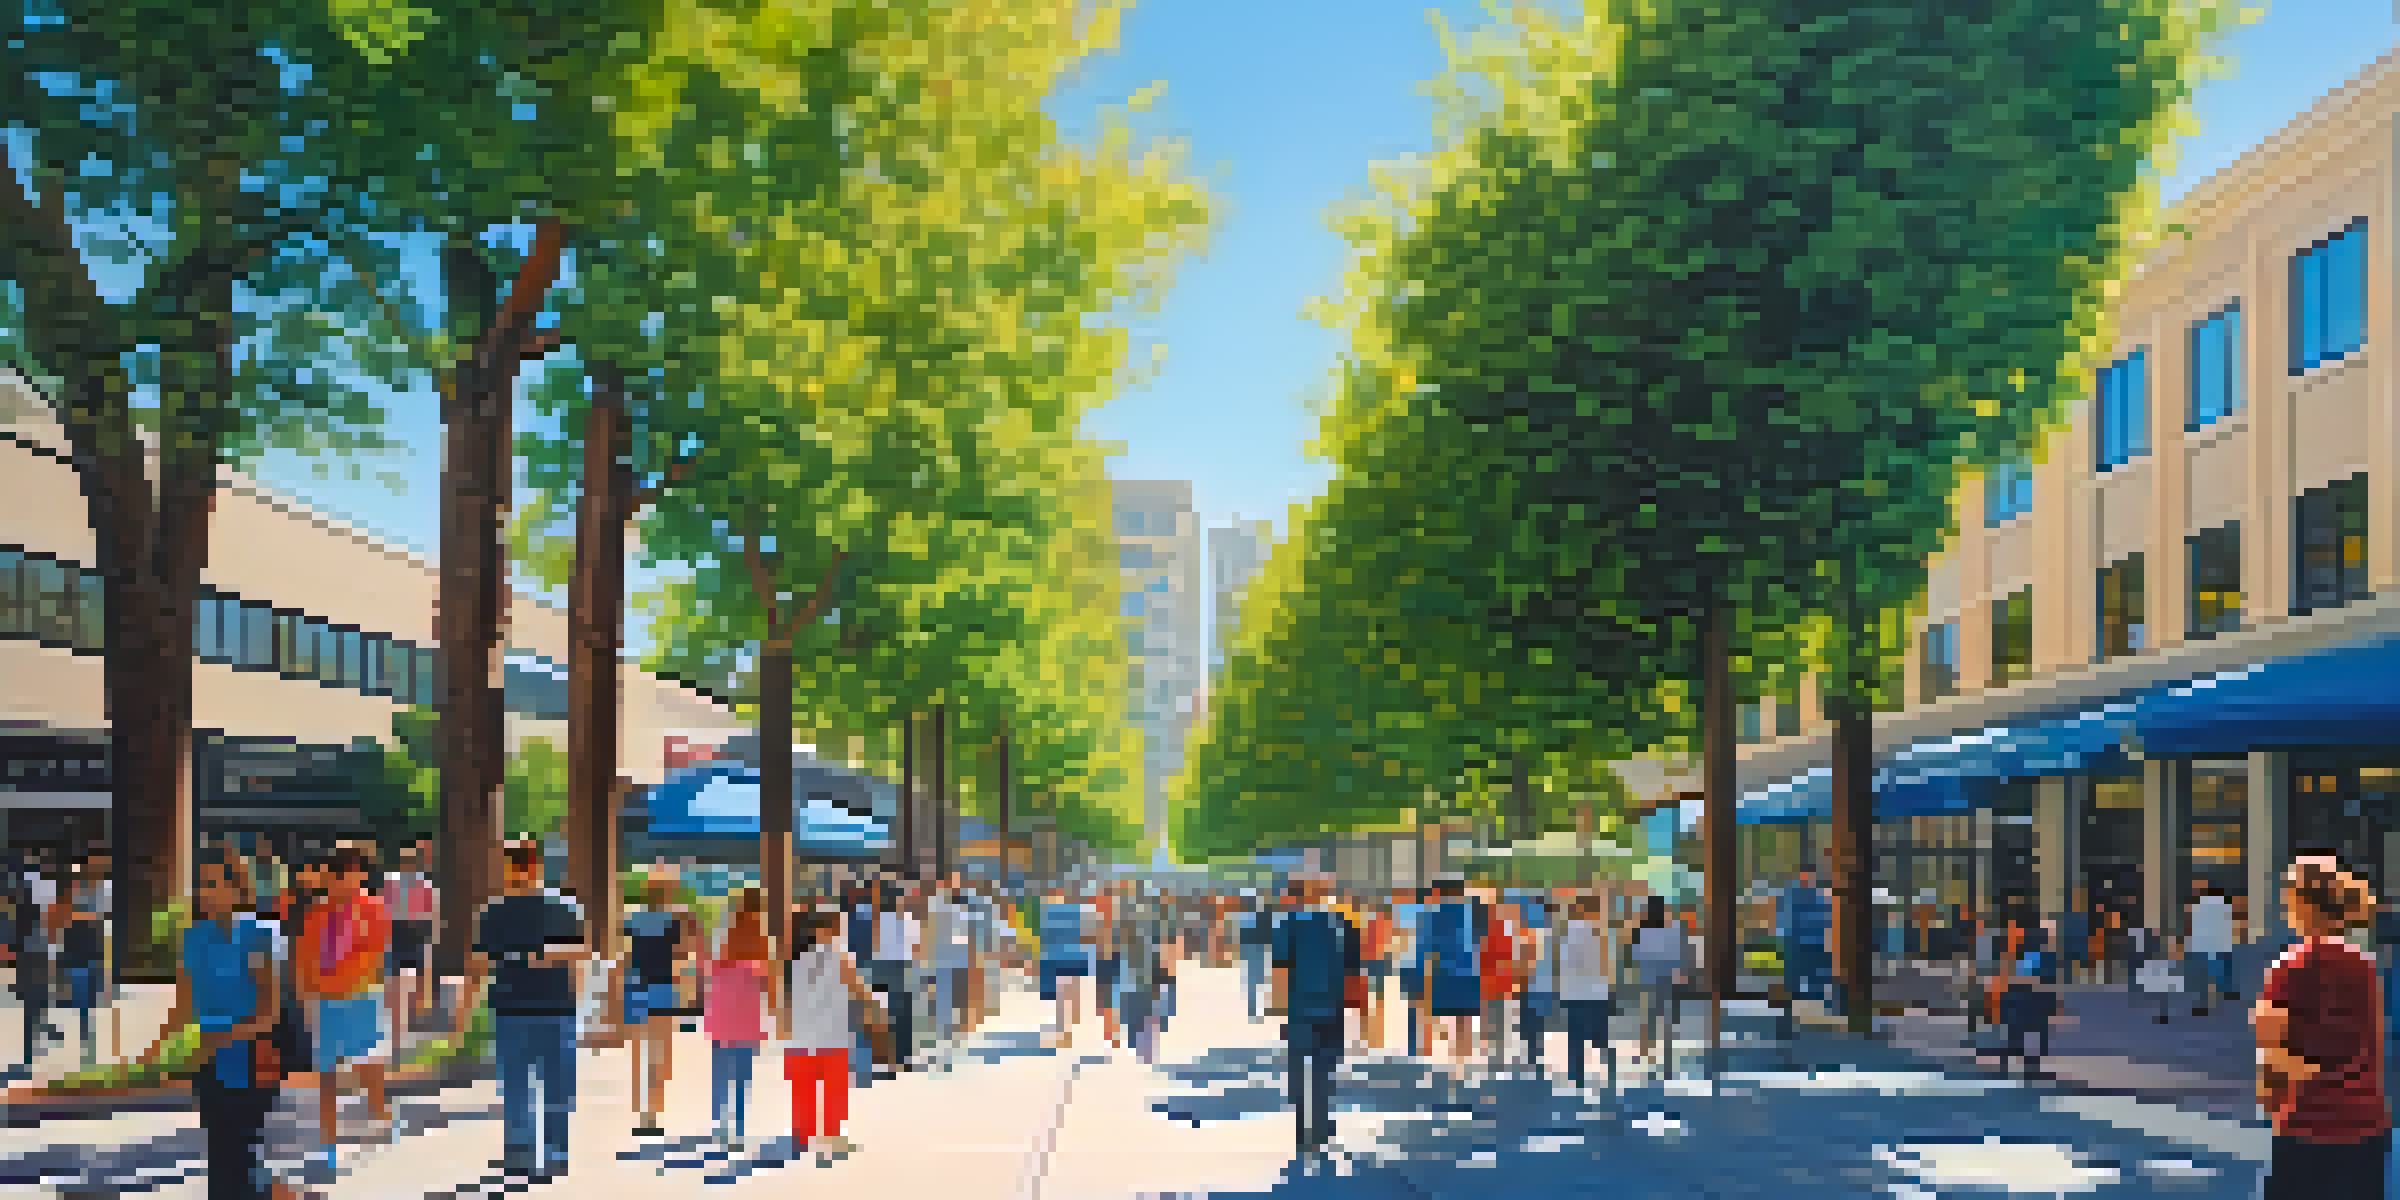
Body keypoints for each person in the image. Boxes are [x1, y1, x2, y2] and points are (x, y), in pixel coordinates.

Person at [141, 844, 295, 1200]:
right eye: (202, 884)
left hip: (254, 1056)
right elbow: (183, 1007)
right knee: (219, 1152)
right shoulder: (194, 937)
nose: (206, 893)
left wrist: (223, 1038)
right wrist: (153, 1055)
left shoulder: (262, 934)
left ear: (237, 886)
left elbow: (269, 1012)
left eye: (214, 883)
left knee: (243, 1151)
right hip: (208, 1059)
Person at [2255, 855, 2388, 1200]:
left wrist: (2272, 1102)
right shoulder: (2366, 967)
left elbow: (2274, 1059)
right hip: (2366, 1128)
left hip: (2309, 1128)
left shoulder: (2291, 966)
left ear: (2301, 902)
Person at [459, 839, 588, 1180]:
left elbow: (581, 953)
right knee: (541, 1085)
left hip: (529, 1007)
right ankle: (542, 1153)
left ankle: (531, 1153)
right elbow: (479, 961)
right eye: (515, 865)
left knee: (528, 1084)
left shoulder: (503, 910)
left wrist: (549, 955)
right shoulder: (555, 906)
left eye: (519, 865)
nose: (517, 872)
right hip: (542, 1007)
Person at [294, 842, 395, 1168]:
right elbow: (304, 958)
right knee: (327, 1073)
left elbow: (374, 953)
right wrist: (305, 995)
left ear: (363, 874)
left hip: (364, 998)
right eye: (336, 873)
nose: (343, 880)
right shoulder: (316, 913)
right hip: (326, 1001)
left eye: (351, 872)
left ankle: (380, 1118)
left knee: (370, 1065)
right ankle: (328, 1138)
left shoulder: (374, 908)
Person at [779, 907, 888, 1163]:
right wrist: (876, 1009)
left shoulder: (796, 961)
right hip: (833, 1035)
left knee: (803, 1088)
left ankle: (802, 1135)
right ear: (825, 930)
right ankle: (831, 1135)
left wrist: (784, 1028)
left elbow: (785, 1000)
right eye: (837, 926)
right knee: (834, 1089)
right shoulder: (839, 959)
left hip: (802, 1035)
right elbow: (860, 990)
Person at [1271, 873, 1357, 1163]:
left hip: (1299, 1010)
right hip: (1332, 1009)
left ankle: (1301, 1133)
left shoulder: (1288, 924)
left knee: (1298, 1073)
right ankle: (1320, 1132)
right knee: (1323, 1072)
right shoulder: (1340, 923)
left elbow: (1281, 971)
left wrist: (1280, 1011)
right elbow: (1351, 969)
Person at [621, 869, 693, 1135]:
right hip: (662, 988)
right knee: (660, 1053)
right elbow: (681, 955)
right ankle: (653, 1111)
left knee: (641, 1052)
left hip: (636, 986)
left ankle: (644, 1112)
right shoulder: (673, 920)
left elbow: (627, 955)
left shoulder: (634, 918)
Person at [703, 888, 775, 1149]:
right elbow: (768, 979)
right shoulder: (762, 937)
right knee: (743, 1073)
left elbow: (708, 969)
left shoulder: (725, 932)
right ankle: (740, 1127)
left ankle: (719, 1125)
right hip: (747, 1011)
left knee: (721, 1071)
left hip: (723, 1009)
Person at [1417, 875, 1480, 1087]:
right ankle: (1461, 1067)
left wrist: (1421, 976)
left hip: (1442, 974)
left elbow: (1425, 947)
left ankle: (1434, 1064)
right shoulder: (1470, 913)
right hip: (1468, 973)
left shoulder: (1433, 915)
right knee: (1463, 1022)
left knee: (1434, 1019)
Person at [58, 846, 112, 1069]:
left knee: (90, 997)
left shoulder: (104, 889)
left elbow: (102, 920)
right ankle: (84, 1041)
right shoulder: (74, 888)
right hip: (77, 950)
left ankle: (86, 1043)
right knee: (82, 998)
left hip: (92, 949)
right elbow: (65, 916)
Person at [1557, 892, 1615, 1096]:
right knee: (1601, 1036)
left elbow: (1563, 965)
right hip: (1595, 992)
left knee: (1575, 1037)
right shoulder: (1598, 933)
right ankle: (1610, 1074)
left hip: (1573, 992)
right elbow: (1605, 965)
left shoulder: (1568, 934)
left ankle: (1577, 1077)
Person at [382, 842, 438, 1047]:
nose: (409, 863)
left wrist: (430, 933)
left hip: (414, 930)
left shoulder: (423, 883)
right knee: (398, 976)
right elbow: (385, 909)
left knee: (416, 976)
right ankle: (401, 1019)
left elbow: (431, 912)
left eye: (411, 860)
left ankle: (411, 1017)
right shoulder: (393, 881)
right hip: (399, 930)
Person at [871, 881, 922, 1074]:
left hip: (884, 968)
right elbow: (916, 948)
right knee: (902, 1015)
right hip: (901, 969)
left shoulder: (880, 921)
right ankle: (903, 1057)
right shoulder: (909, 920)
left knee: (884, 1012)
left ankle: (885, 1055)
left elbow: (876, 946)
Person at [1631, 895, 1687, 1068]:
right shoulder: (1673, 931)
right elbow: (1679, 956)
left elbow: (1636, 957)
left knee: (1647, 1019)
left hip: (1647, 980)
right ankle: (1668, 1056)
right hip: (1667, 980)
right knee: (1667, 1019)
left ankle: (1645, 1054)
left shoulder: (1640, 931)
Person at [1038, 885, 1094, 1049]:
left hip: (1061, 960)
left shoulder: (1052, 913)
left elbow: (1048, 939)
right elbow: (1087, 936)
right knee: (1071, 994)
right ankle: (1071, 1026)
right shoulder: (1078, 911)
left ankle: (1065, 1033)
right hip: (1076, 959)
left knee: (1063, 998)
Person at [1779, 865, 1832, 1018]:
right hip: (1795, 943)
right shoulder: (1791, 895)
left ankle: (1817, 1007)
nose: (1807, 878)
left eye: (1810, 875)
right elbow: (1783, 919)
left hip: (1815, 942)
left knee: (1816, 976)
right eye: (1805, 875)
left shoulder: (1819, 895)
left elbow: (1826, 920)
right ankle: (1792, 1009)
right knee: (1794, 976)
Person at [2188, 882, 2237, 1015]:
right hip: (2220, 945)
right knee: (2223, 971)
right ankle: (2226, 993)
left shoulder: (2199, 905)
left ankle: (2203, 1003)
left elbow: (2195, 926)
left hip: (2203, 946)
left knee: (2203, 977)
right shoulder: (2224, 904)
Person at [1239, 891, 1274, 1021]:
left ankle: (1255, 1010)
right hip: (1259, 950)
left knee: (1255, 980)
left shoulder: (1247, 916)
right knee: (1258, 980)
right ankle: (1256, 1010)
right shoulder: (1263, 915)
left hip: (1255, 950)